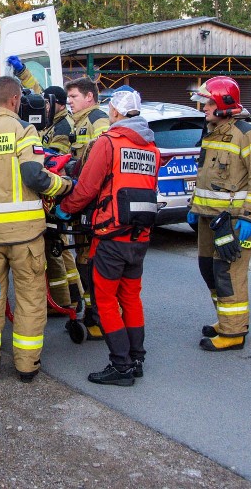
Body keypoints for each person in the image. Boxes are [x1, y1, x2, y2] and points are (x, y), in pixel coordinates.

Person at [0, 76, 73, 384]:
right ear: (15, 101)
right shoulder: (23, 130)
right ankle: (26, 366)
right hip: (24, 235)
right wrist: (64, 185)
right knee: (30, 299)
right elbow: (34, 175)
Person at [57, 89, 159, 386]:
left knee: (104, 300)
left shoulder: (109, 143)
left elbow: (87, 188)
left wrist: (65, 209)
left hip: (111, 235)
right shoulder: (151, 148)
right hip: (139, 236)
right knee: (130, 297)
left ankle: (121, 367)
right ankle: (136, 358)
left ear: (114, 112)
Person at [187, 76, 251, 351]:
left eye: (206, 102)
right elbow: (205, 177)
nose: (203, 108)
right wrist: (193, 208)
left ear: (222, 103)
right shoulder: (210, 130)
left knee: (228, 272)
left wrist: (249, 217)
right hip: (208, 217)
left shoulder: (247, 134)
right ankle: (226, 320)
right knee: (208, 269)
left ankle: (234, 333)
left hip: (232, 220)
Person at [65, 77, 110, 341]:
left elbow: (100, 163)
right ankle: (92, 312)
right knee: (83, 257)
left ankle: (98, 315)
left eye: (74, 97)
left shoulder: (98, 121)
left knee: (91, 260)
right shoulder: (81, 120)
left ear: (89, 97)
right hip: (83, 200)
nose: (70, 102)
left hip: (93, 202)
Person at [40, 85, 85, 313]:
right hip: (54, 195)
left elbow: (53, 159)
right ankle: (70, 298)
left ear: (56, 103)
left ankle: (68, 300)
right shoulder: (52, 122)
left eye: (47, 103)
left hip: (57, 194)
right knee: (62, 250)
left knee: (59, 249)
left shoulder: (63, 125)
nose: (44, 107)